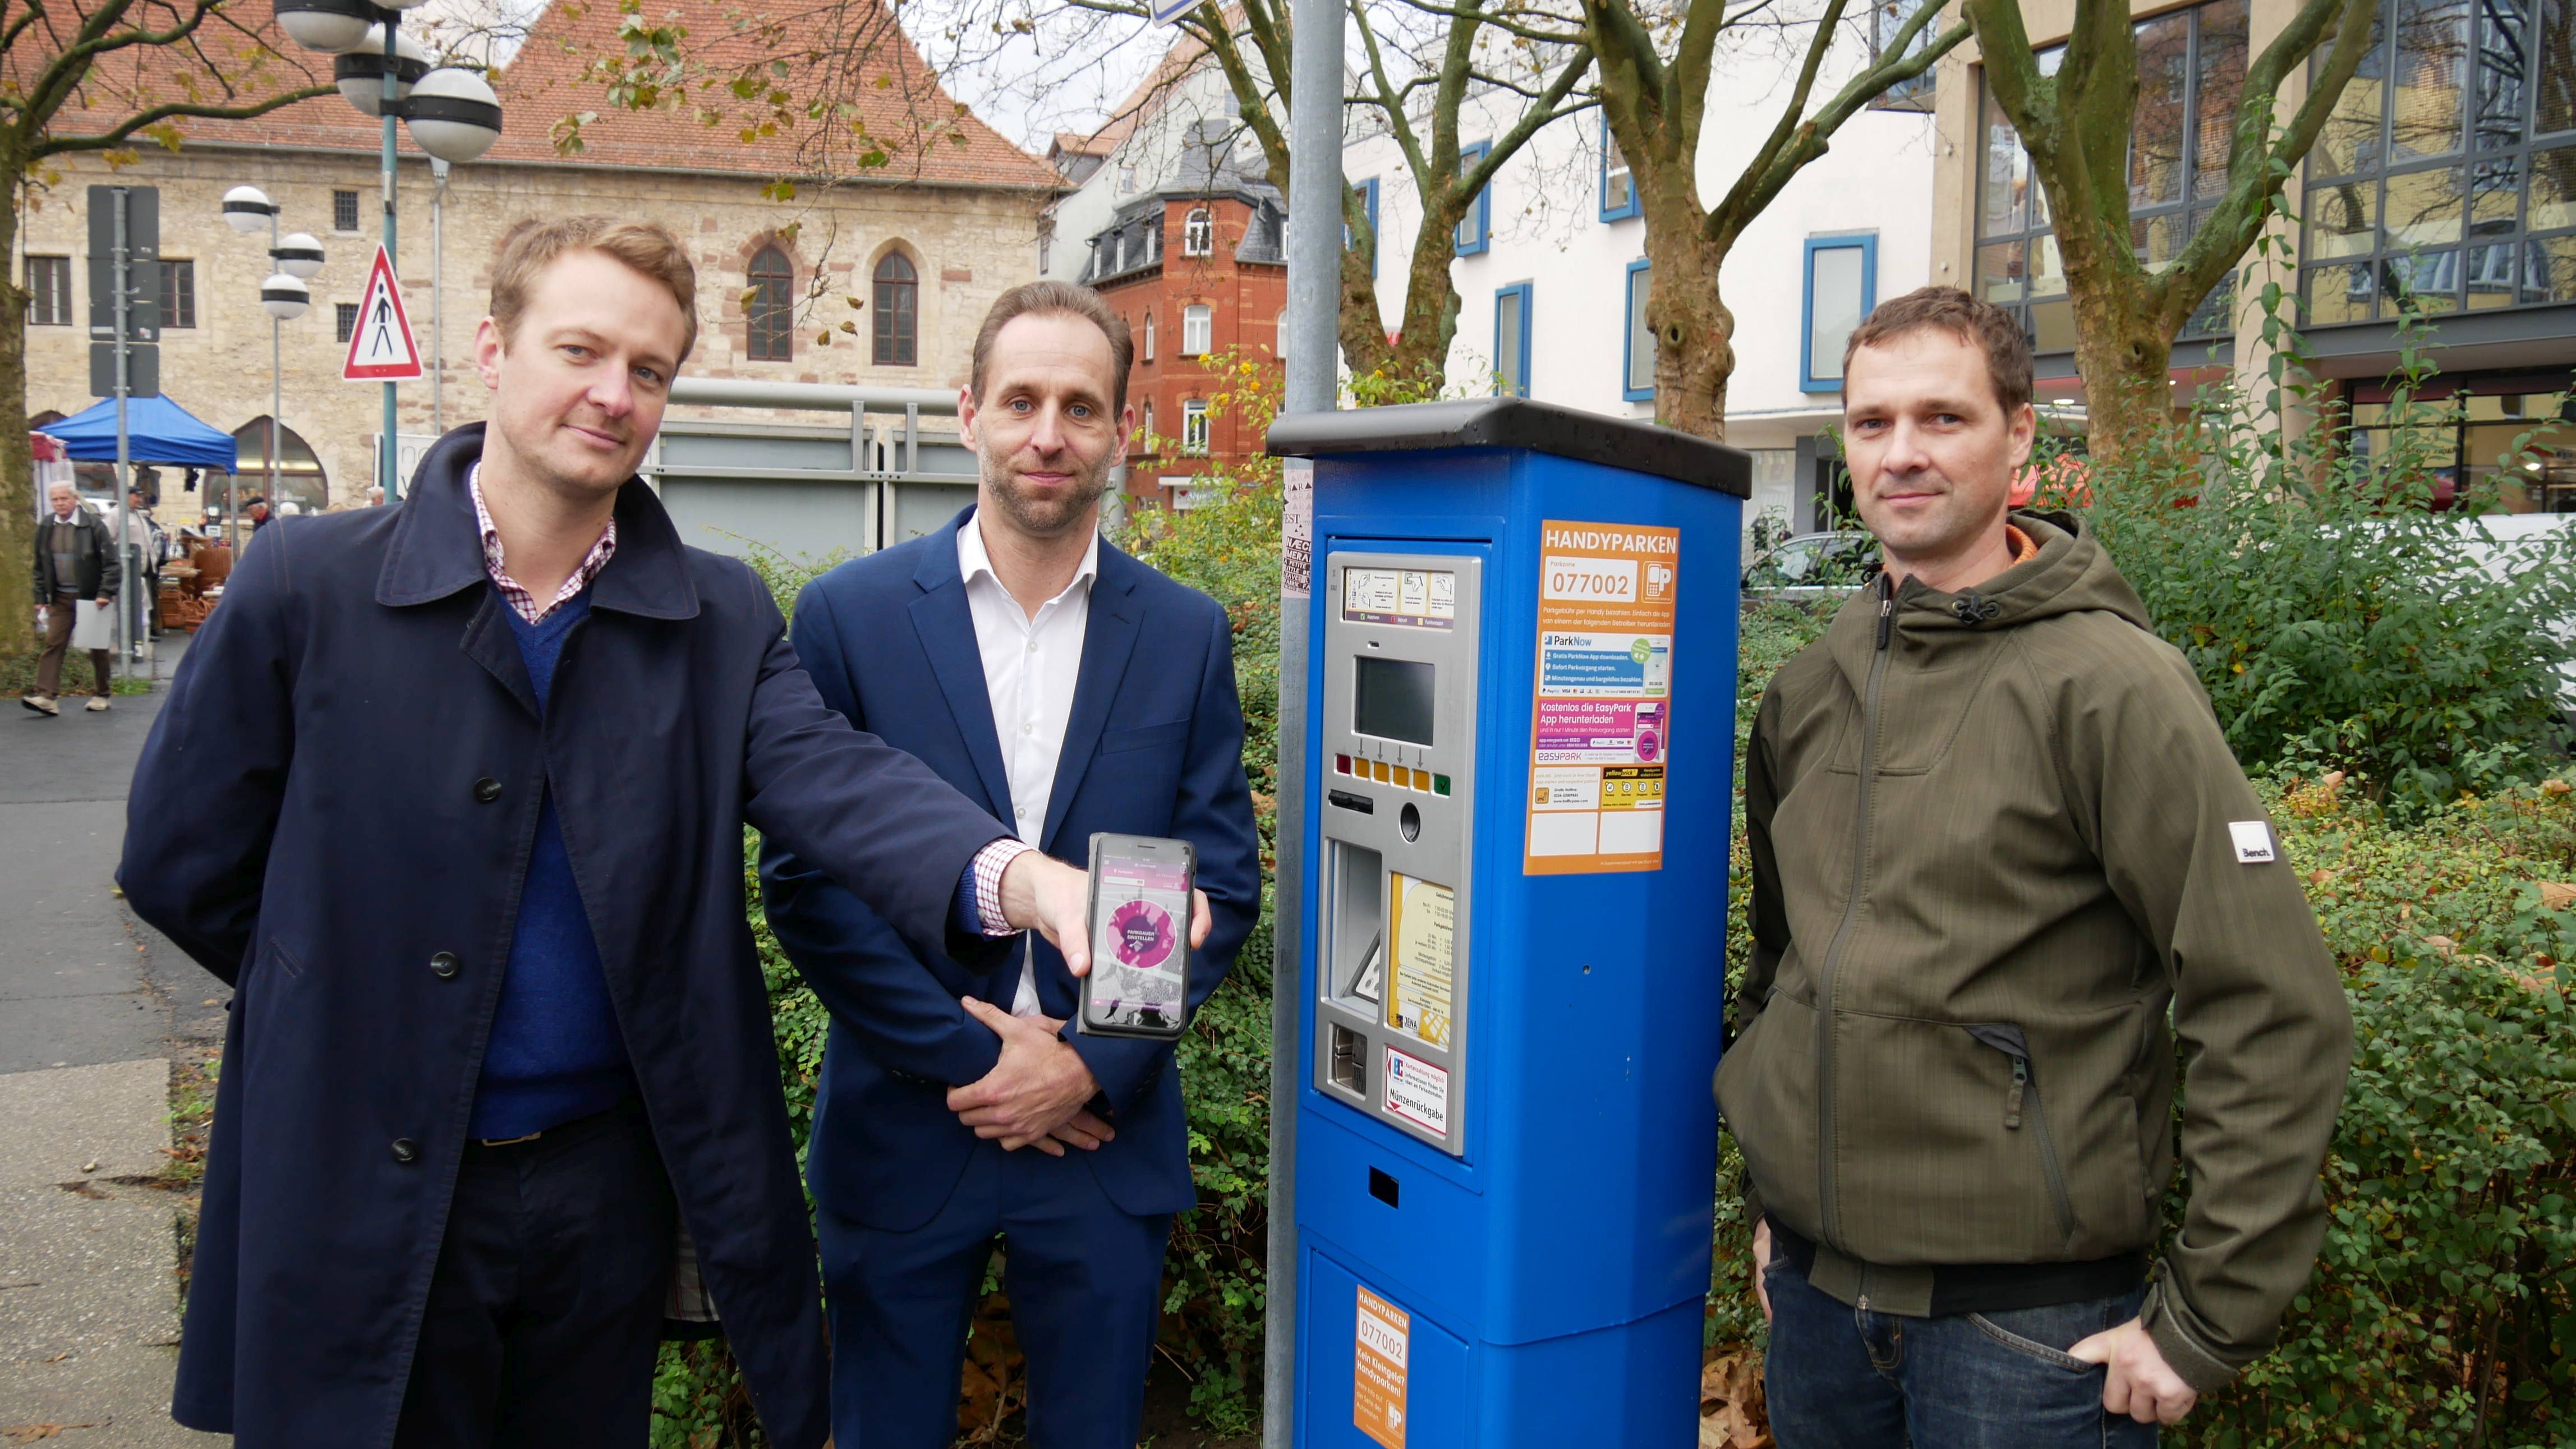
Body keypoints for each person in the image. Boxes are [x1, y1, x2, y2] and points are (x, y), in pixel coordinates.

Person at [118, 217, 1135, 1449]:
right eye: (580, 350)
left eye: (648, 371)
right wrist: (344, 994)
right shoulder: (306, 585)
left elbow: (835, 780)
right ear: (493, 350)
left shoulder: (711, 615)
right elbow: (182, 863)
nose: (612, 394)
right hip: (363, 1171)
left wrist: (1026, 882)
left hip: (601, 1192)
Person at [1723, 286, 2352, 1448]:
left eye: (1941, 418)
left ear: (2019, 440)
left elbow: (2268, 1002)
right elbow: (1785, 970)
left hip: (2027, 1339)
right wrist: (1774, 1212)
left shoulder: (2114, 687)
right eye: (1870, 424)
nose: (1900, 454)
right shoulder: (1809, 689)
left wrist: (2205, 1318)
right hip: (1817, 1309)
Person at [761, 280, 1259, 1449]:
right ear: (967, 410)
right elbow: (810, 881)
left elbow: (1215, 890)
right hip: (906, 1118)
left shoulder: (1182, 634)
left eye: (1081, 407)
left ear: (1123, 432)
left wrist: (1086, 1067)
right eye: (1022, 399)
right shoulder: (850, 616)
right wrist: (983, 1058)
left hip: (1102, 1140)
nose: (1050, 433)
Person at [24, 480, 118, 716]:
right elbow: (40, 564)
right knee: (53, 643)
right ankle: (46, 697)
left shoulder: (94, 525)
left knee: (96, 647)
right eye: (55, 499)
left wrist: (105, 592)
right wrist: (40, 595)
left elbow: (111, 563)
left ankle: (102, 694)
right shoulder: (47, 526)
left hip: (91, 597)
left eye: (64, 498)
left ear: (75, 499)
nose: (59, 503)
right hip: (61, 597)